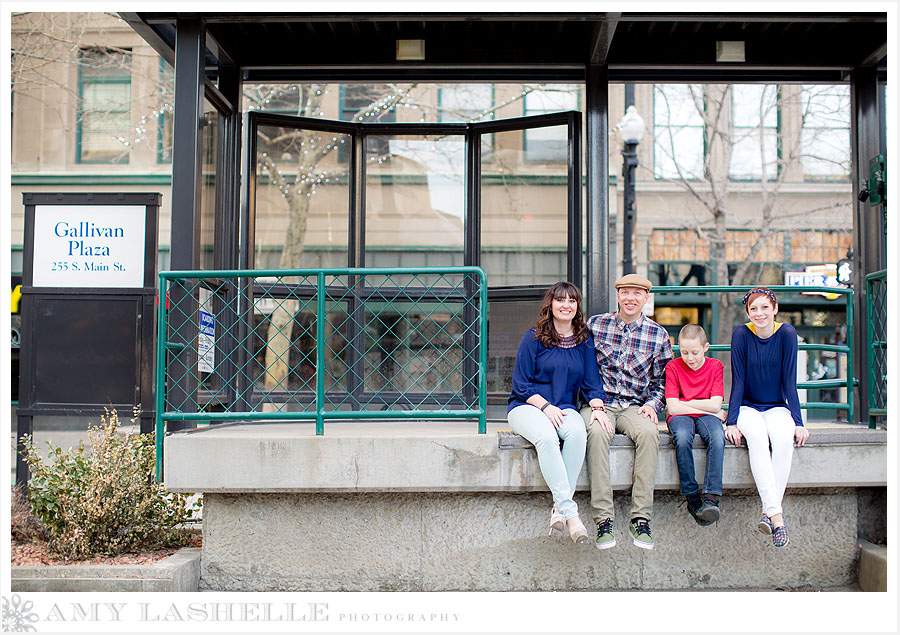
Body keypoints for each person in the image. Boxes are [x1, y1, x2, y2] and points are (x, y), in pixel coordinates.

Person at [508, 281, 610, 545]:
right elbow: (520, 384)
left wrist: (598, 407)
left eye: (572, 301)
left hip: (564, 407)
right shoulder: (533, 338)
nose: (566, 305)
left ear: (577, 307)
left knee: (577, 433)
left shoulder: (583, 340)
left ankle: (558, 509)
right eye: (560, 300)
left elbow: (591, 382)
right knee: (547, 438)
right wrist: (545, 406)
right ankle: (571, 513)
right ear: (550, 305)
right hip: (527, 406)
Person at [580, 273, 673, 550]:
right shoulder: (596, 326)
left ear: (646, 298)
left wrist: (652, 405)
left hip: (635, 405)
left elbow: (664, 382)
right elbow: (582, 368)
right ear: (617, 295)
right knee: (596, 434)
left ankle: (641, 518)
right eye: (625, 292)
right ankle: (603, 520)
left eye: (637, 293)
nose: (630, 298)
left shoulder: (658, 335)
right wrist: (593, 403)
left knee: (648, 434)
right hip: (600, 403)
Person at [725, 287, 810, 548]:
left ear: (775, 309)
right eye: (753, 309)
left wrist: (798, 422)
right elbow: (738, 381)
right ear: (748, 312)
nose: (759, 313)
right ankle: (778, 518)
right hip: (748, 407)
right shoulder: (741, 334)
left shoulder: (786, 333)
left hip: (776, 406)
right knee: (758, 440)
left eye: (764, 307)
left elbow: (789, 382)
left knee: (784, 439)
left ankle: (768, 512)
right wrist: (731, 420)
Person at [664, 323, 726, 526]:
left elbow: (716, 402)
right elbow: (672, 408)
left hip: (705, 417)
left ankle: (711, 499)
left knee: (717, 436)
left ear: (706, 347)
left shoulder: (715, 366)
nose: (690, 358)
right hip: (684, 417)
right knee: (682, 437)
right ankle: (692, 497)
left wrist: (685, 403)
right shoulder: (673, 367)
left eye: (695, 352)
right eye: (684, 352)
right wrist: (712, 409)